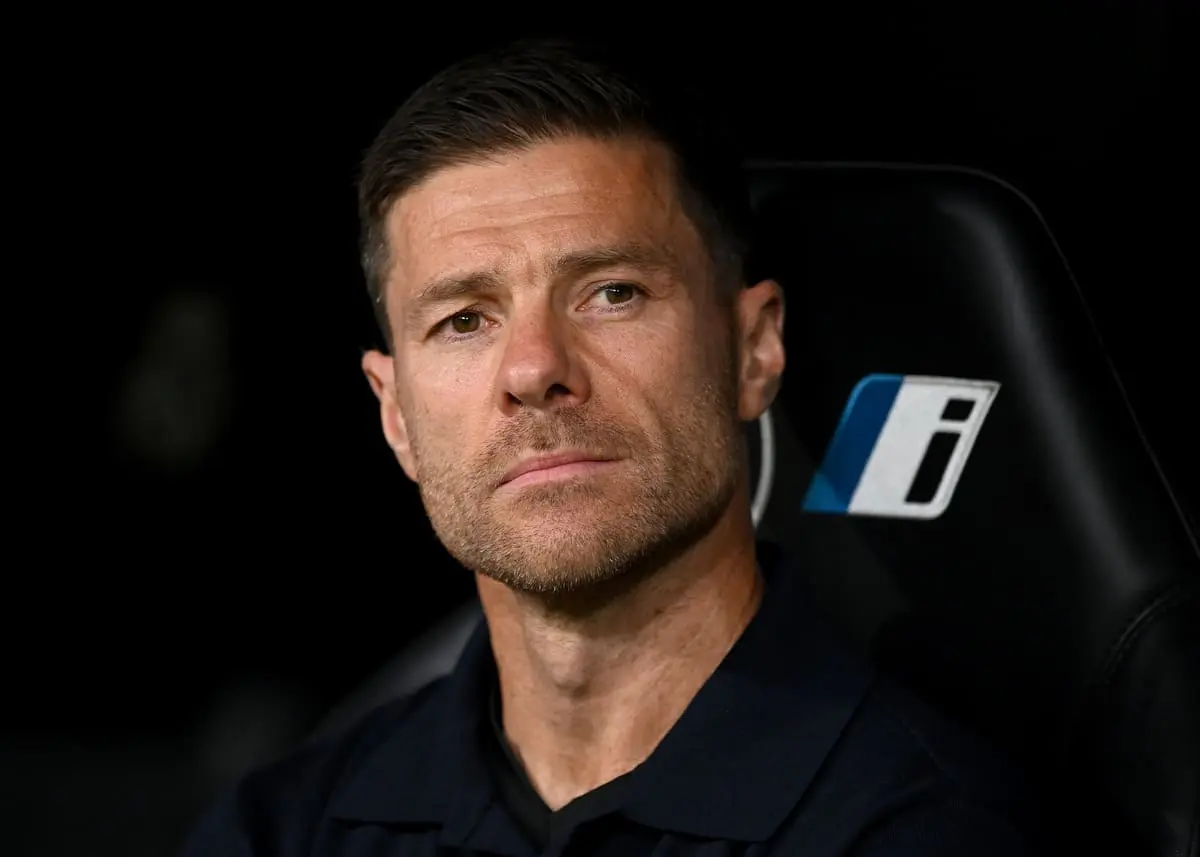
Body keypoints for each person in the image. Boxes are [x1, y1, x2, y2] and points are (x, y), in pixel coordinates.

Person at [179, 38, 1043, 856]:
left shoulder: (929, 828)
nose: (532, 368)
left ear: (754, 350)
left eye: (612, 292)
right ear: (395, 413)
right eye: (465, 319)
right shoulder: (280, 830)